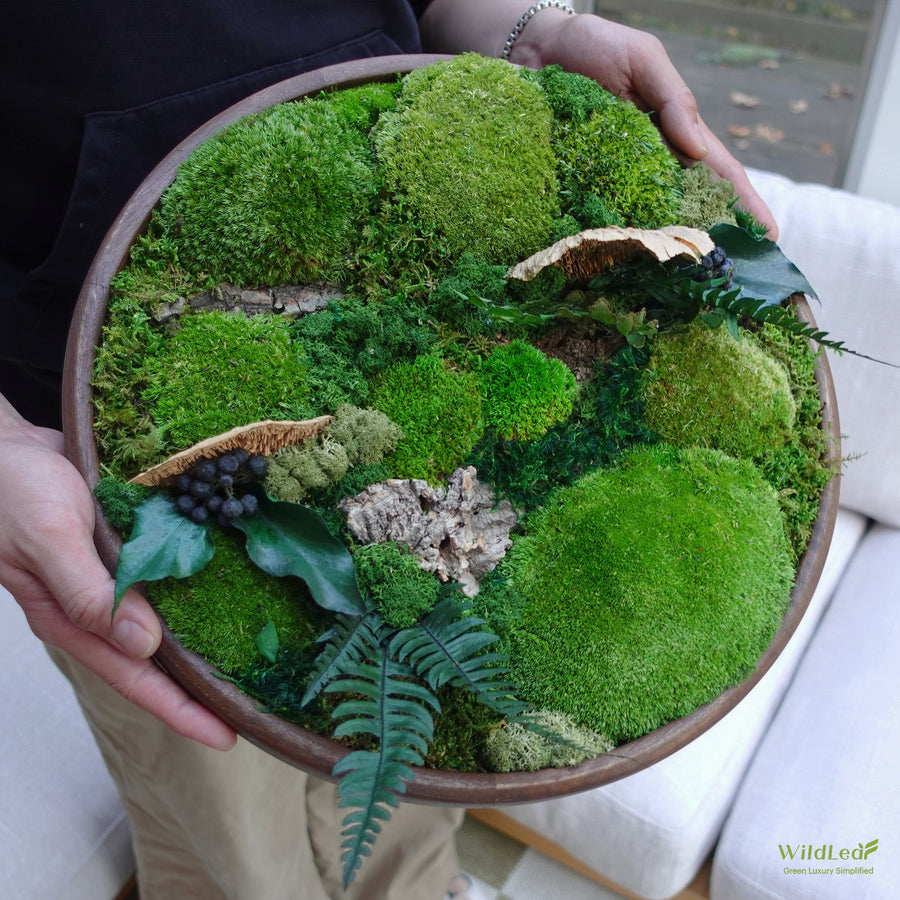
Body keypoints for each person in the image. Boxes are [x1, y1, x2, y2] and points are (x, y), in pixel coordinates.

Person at [0, 2, 777, 897]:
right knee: (230, 834)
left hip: (410, 167)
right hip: (94, 387)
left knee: (412, 753)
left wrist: (508, 24)